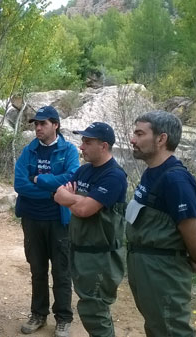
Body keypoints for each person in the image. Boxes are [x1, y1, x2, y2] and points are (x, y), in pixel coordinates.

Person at [125, 110, 196, 337]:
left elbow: (195, 236)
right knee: (156, 326)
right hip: (146, 268)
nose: (132, 139)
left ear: (161, 139)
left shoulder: (176, 180)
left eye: (140, 134)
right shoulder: (152, 173)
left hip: (163, 273)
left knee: (171, 330)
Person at [53, 122, 127, 337]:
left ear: (103, 146)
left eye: (87, 142)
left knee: (94, 308)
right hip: (80, 249)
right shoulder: (84, 170)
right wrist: (77, 200)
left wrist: (72, 200)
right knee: (91, 304)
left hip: (100, 256)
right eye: (82, 141)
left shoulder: (114, 176)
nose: (81, 147)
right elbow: (59, 193)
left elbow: (83, 209)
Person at [14, 106, 79, 337]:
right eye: (36, 124)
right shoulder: (28, 151)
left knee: (62, 271)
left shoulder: (69, 151)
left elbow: (72, 179)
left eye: (43, 123)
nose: (38, 128)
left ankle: (63, 318)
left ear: (55, 125)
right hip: (32, 220)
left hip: (59, 221)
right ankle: (38, 314)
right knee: (37, 270)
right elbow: (20, 184)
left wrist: (39, 179)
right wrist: (54, 191)